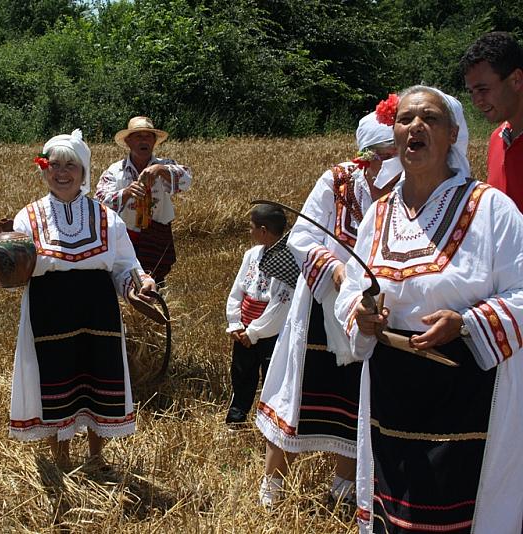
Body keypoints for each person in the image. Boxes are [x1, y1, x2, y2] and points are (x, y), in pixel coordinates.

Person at [336, 86, 523, 533]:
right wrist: (361, 315)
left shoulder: (491, 208)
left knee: (455, 513)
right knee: (393, 506)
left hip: (467, 385)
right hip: (389, 388)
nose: (415, 126)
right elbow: (352, 288)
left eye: (430, 118)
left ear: (453, 134)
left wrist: (467, 322)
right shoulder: (379, 213)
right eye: (404, 119)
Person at [255, 112, 398, 507]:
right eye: (385, 155)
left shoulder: (408, 188)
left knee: (357, 395)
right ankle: (274, 485)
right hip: (321, 305)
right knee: (298, 392)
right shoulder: (336, 181)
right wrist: (334, 269)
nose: (391, 163)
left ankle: (343, 485)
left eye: (396, 153)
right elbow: (301, 235)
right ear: (366, 156)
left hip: (370, 309)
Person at [7, 129, 156, 468]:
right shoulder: (27, 218)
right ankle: (60, 458)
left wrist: (140, 283)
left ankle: (96, 457)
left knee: (98, 379)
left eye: (70, 165)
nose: (61, 173)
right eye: (54, 165)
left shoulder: (106, 217)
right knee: (55, 381)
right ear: (43, 169)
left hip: (97, 311)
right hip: (49, 312)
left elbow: (125, 265)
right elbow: (13, 274)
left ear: (84, 172)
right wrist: (0, 252)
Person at [95, 116, 192, 285]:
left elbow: (186, 179)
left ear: (154, 141)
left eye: (148, 136)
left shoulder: (165, 165)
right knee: (126, 277)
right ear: (128, 142)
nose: (144, 140)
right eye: (138, 136)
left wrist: (161, 170)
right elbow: (100, 200)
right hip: (126, 234)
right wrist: (125, 193)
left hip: (156, 233)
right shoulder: (115, 171)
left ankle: (154, 304)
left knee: (157, 278)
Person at [224, 204, 293, 427]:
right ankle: (237, 414)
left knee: (272, 374)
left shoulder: (287, 261)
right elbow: (238, 290)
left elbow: (279, 305)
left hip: (269, 331)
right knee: (242, 371)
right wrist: (235, 323)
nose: (249, 231)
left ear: (263, 230)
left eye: (251, 227)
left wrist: (254, 332)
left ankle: (270, 421)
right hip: (244, 327)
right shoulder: (251, 255)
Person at [461, 32, 523, 211]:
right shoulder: (497, 139)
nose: (476, 101)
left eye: (483, 89)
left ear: (516, 80)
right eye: (471, 91)